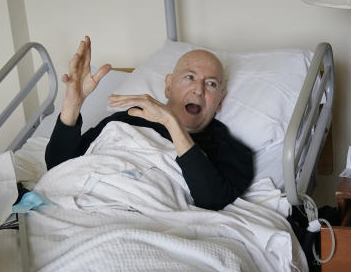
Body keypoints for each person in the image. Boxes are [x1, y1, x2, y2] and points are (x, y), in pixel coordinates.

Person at [45, 37, 254, 210]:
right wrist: (72, 105)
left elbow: (211, 199)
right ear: (168, 87)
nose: (198, 90)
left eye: (211, 84)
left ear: (220, 101)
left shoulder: (231, 150)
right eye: (189, 77)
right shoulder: (128, 119)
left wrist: (172, 123)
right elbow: (60, 168)